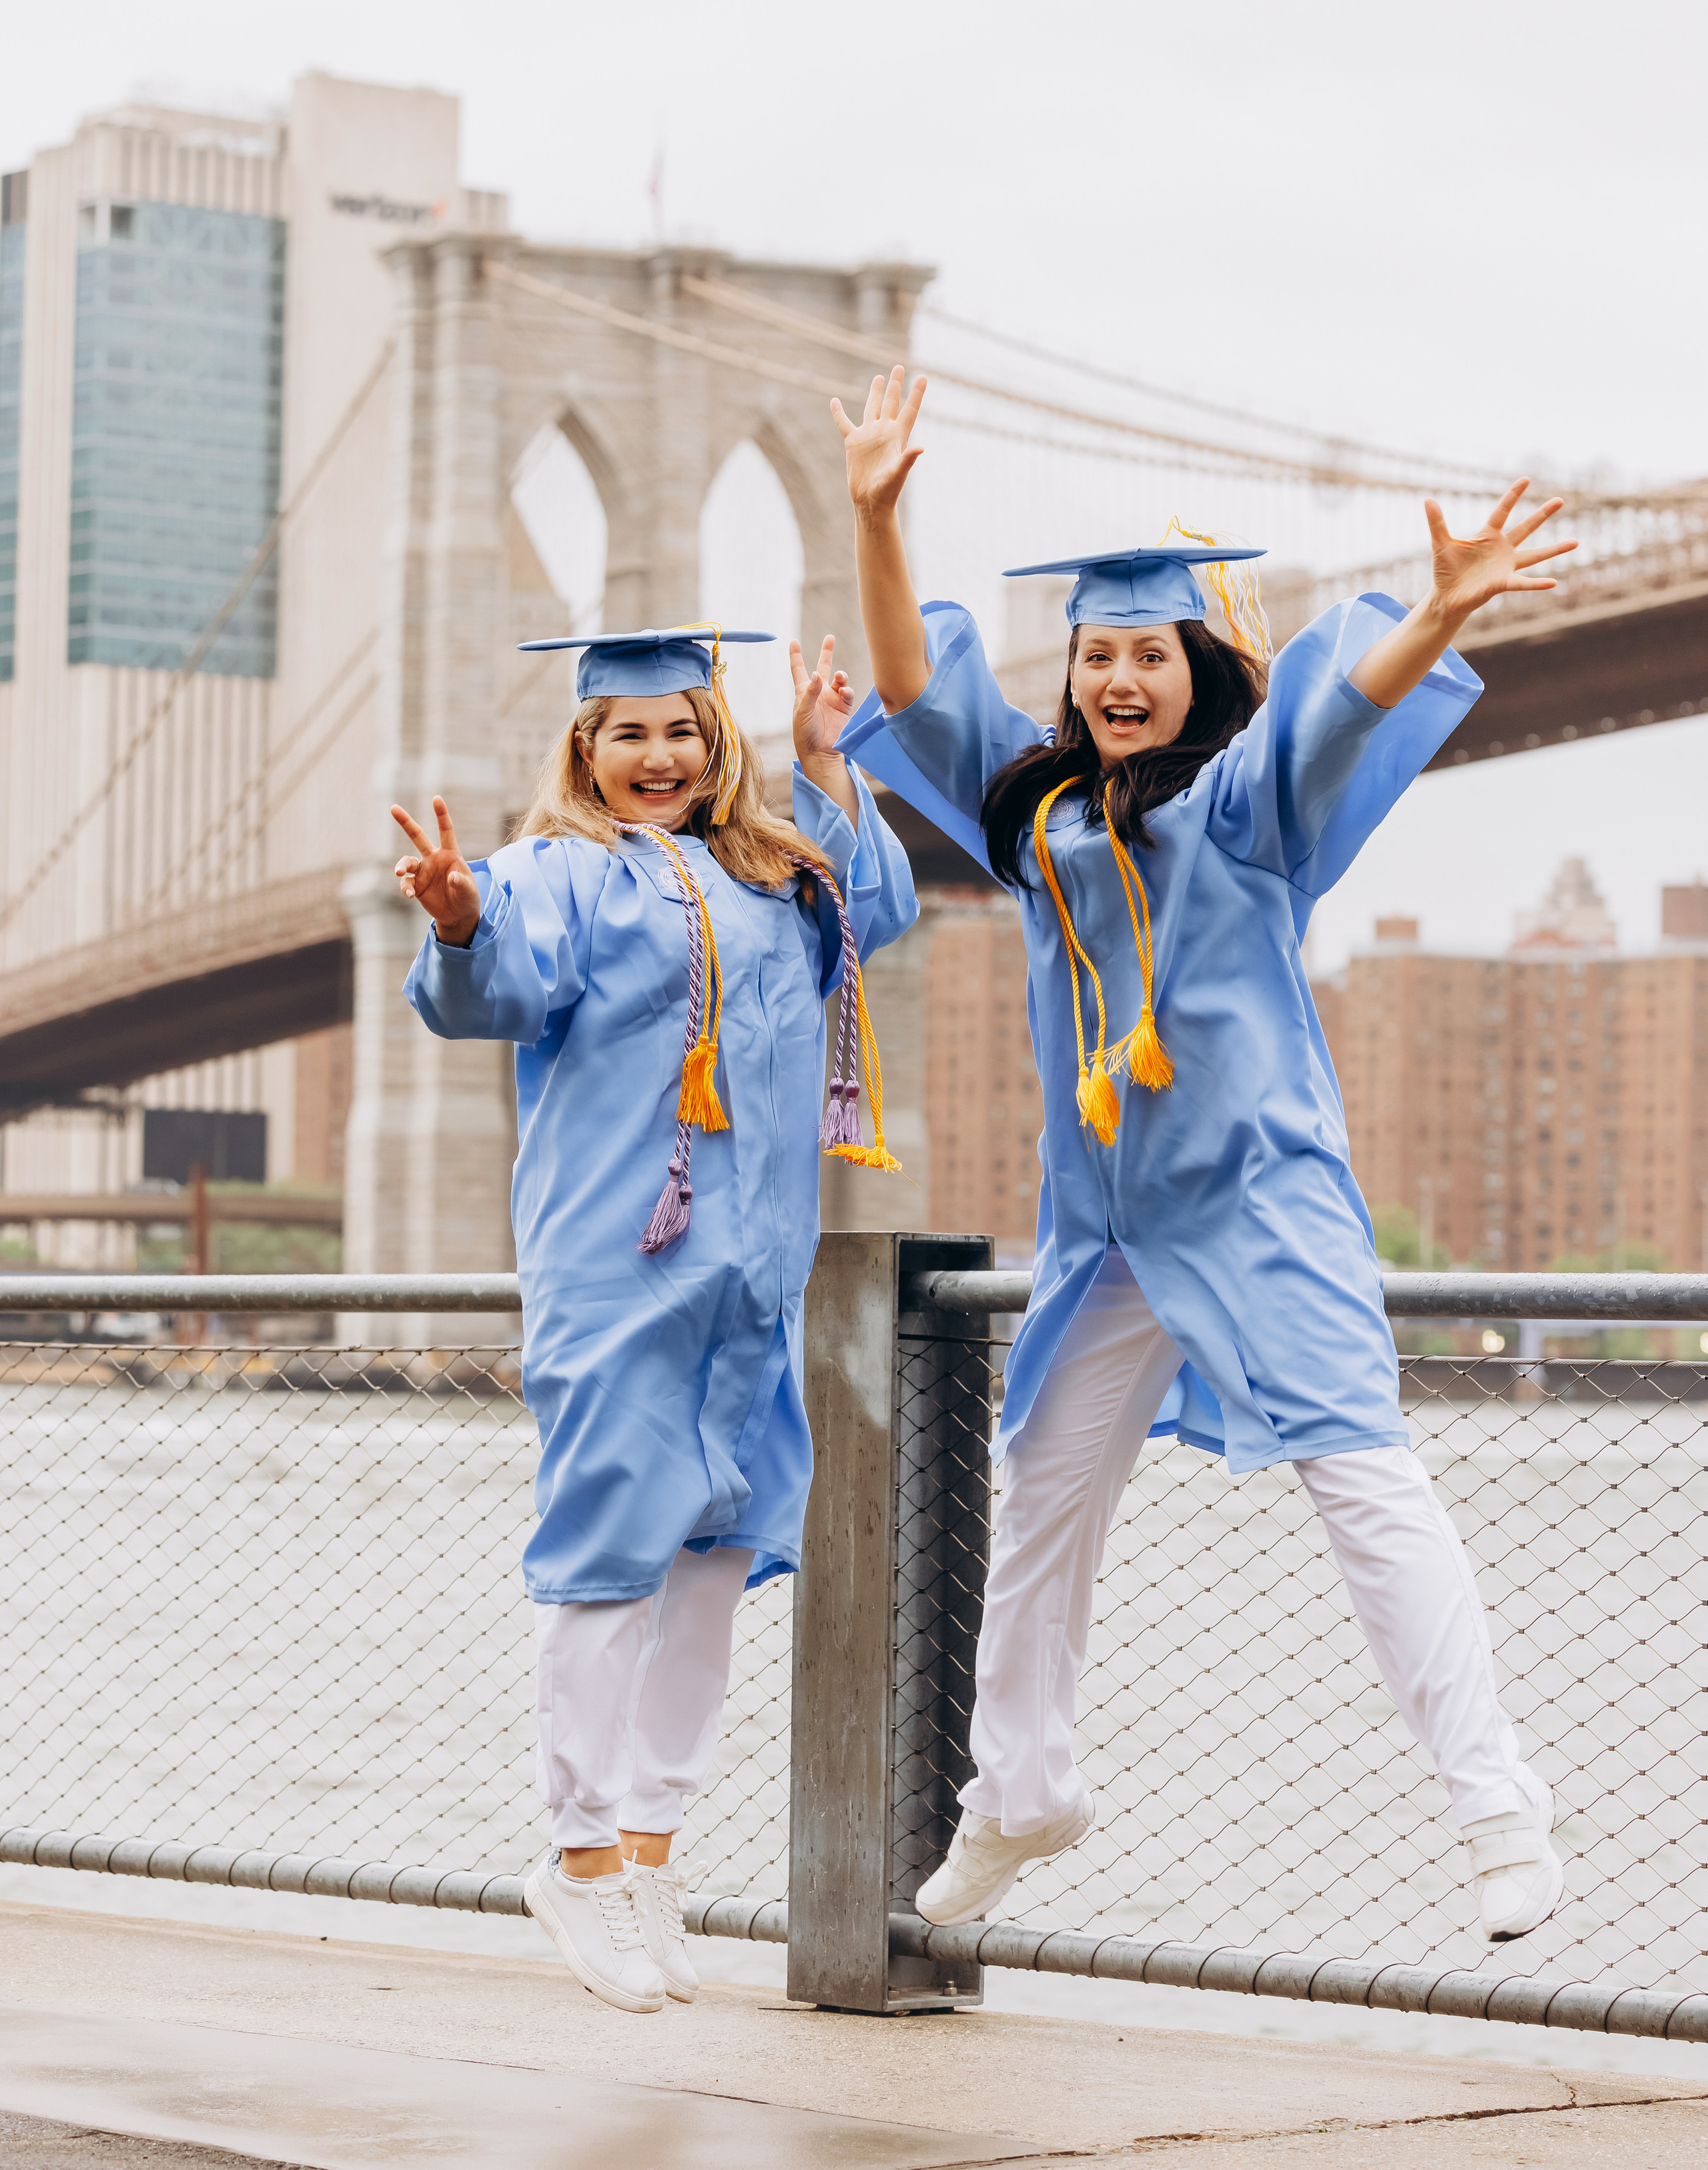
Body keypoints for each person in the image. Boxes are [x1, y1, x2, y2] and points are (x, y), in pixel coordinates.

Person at [832, 365, 1578, 1947]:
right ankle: (1016, 1794)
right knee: (1039, 1493)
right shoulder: (1038, 827)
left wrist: (1437, 610)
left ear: (1194, 673)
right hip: (1105, 1222)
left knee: (1360, 1476)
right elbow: (905, 691)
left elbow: (1348, 703)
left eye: (1145, 653)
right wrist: (873, 517)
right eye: (1094, 653)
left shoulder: (1240, 811)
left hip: (1255, 1200)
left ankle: (1495, 1802)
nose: (1116, 674)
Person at [394, 624, 916, 2012]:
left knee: (714, 1557)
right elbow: (492, 987)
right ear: (584, 748)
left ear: (714, 740)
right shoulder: (552, 874)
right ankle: (570, 1855)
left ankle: (648, 1852)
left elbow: (880, 911)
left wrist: (825, 766)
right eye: (627, 733)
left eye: (682, 730)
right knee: (605, 1561)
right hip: (622, 1265)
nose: (658, 755)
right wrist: (454, 917)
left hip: (752, 1275)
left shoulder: (768, 873)